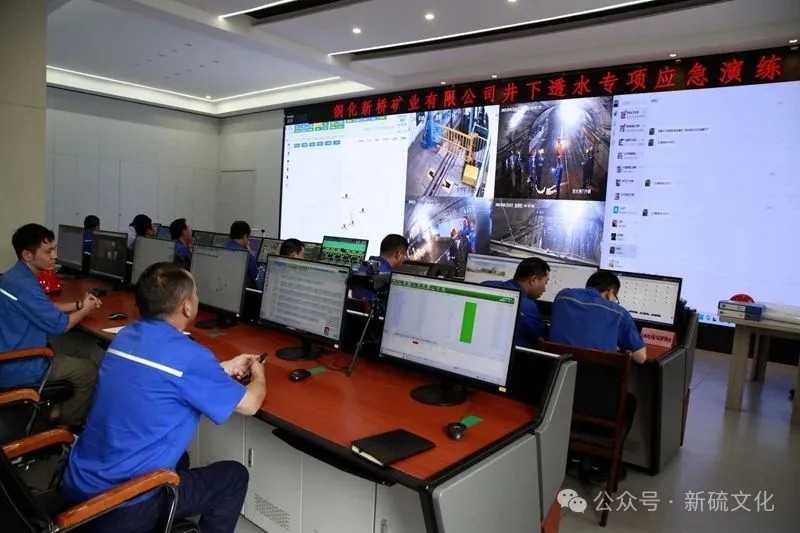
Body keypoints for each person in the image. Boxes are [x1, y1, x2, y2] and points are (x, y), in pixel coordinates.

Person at [62, 262, 267, 533]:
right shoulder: (190, 356)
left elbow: (163, 374)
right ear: (187, 307)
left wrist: (220, 369)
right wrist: (259, 373)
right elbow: (250, 404)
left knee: (182, 460)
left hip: (79, 482)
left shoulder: (126, 336)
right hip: (122, 505)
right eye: (195, 292)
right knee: (233, 477)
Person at [0, 224, 101, 426]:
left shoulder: (14, 277)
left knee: (78, 345)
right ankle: (67, 425)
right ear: (27, 255)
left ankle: (56, 409)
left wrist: (78, 304)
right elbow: (61, 325)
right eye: (48, 251)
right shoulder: (25, 285)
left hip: (11, 349)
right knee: (88, 370)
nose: (55, 256)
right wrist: (86, 309)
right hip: (22, 365)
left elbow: (43, 307)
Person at [550, 270, 646, 480]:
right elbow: (641, 358)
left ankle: (570, 452)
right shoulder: (619, 313)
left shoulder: (562, 297)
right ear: (610, 293)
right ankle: (603, 462)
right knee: (629, 401)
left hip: (557, 395)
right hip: (598, 405)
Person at [481, 257, 550, 348]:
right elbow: (547, 335)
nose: (545, 289)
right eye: (545, 283)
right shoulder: (526, 305)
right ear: (533, 280)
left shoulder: (486, 285)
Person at [352, 234, 409, 301]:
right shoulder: (390, 278)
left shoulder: (363, 267)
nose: (404, 259)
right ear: (398, 254)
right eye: (405, 255)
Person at [225, 220, 259, 287]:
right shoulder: (245, 254)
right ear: (245, 236)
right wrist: (250, 253)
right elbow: (255, 275)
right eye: (248, 237)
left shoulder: (223, 248)